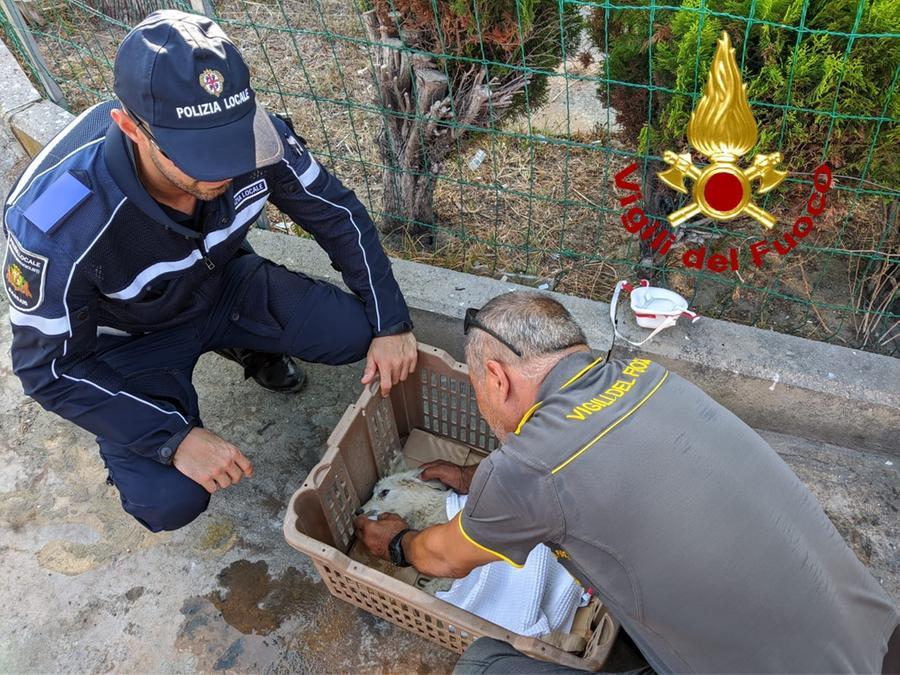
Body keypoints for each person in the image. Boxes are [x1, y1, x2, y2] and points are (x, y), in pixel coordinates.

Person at [4, 10, 417, 532]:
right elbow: (48, 370)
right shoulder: (58, 227)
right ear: (130, 126)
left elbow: (338, 216)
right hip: (130, 339)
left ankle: (244, 342)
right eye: (198, 153)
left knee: (361, 332)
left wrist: (392, 323)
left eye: (231, 141)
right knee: (168, 501)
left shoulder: (259, 137)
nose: (225, 167)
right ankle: (150, 420)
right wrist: (170, 437)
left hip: (222, 285)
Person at [355, 292, 899, 674]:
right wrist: (475, 480)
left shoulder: (526, 471)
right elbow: (576, 464)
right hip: (879, 640)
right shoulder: (651, 377)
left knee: (482, 667)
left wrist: (397, 542)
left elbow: (443, 559)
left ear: (495, 379)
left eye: (477, 388)